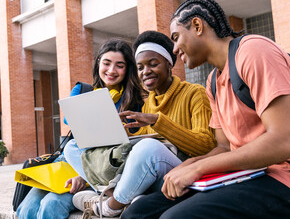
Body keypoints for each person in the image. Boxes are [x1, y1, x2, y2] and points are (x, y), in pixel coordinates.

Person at [122, 0, 290, 219]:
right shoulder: (213, 81)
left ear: (197, 26)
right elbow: (224, 146)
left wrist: (199, 168)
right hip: (245, 175)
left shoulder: (254, 52)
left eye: (176, 37)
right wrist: (189, 165)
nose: (174, 49)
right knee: (138, 212)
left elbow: (285, 142)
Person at [71, 30, 216, 218]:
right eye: (140, 67)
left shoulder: (194, 93)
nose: (145, 71)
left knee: (149, 147)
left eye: (153, 64)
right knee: (74, 146)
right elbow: (142, 149)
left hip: (183, 170)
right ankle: (122, 196)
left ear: (169, 64)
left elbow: (207, 146)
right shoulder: (149, 103)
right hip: (152, 172)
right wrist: (119, 136)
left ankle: (110, 206)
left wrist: (157, 121)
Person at [16, 39, 146, 219]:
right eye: (106, 63)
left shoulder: (135, 102)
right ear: (98, 63)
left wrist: (85, 177)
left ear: (127, 69)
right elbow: (75, 129)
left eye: (119, 65)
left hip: (102, 167)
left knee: (50, 205)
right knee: (26, 208)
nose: (111, 70)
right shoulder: (82, 90)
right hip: (70, 161)